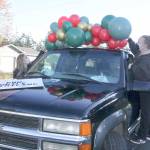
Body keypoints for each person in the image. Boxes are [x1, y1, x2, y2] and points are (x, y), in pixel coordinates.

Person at [129, 35, 150, 144]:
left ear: (146, 45)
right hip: (142, 88)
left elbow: (143, 74)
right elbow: (134, 49)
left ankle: (142, 137)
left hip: (147, 90)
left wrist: (132, 67)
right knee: (147, 112)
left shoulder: (148, 58)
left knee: (146, 113)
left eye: (140, 42)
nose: (138, 44)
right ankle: (148, 134)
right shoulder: (141, 53)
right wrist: (129, 39)